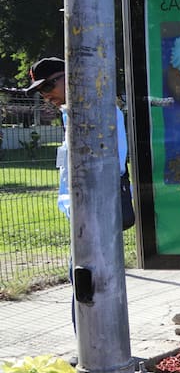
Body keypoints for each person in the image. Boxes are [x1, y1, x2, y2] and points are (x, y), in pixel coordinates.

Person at [19, 57, 129, 336]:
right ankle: (88, 346)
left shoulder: (98, 108)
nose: (46, 97)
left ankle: (99, 349)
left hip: (97, 210)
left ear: (68, 76)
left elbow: (112, 163)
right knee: (82, 280)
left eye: (48, 87)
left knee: (92, 282)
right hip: (82, 214)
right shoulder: (71, 111)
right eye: (40, 93)